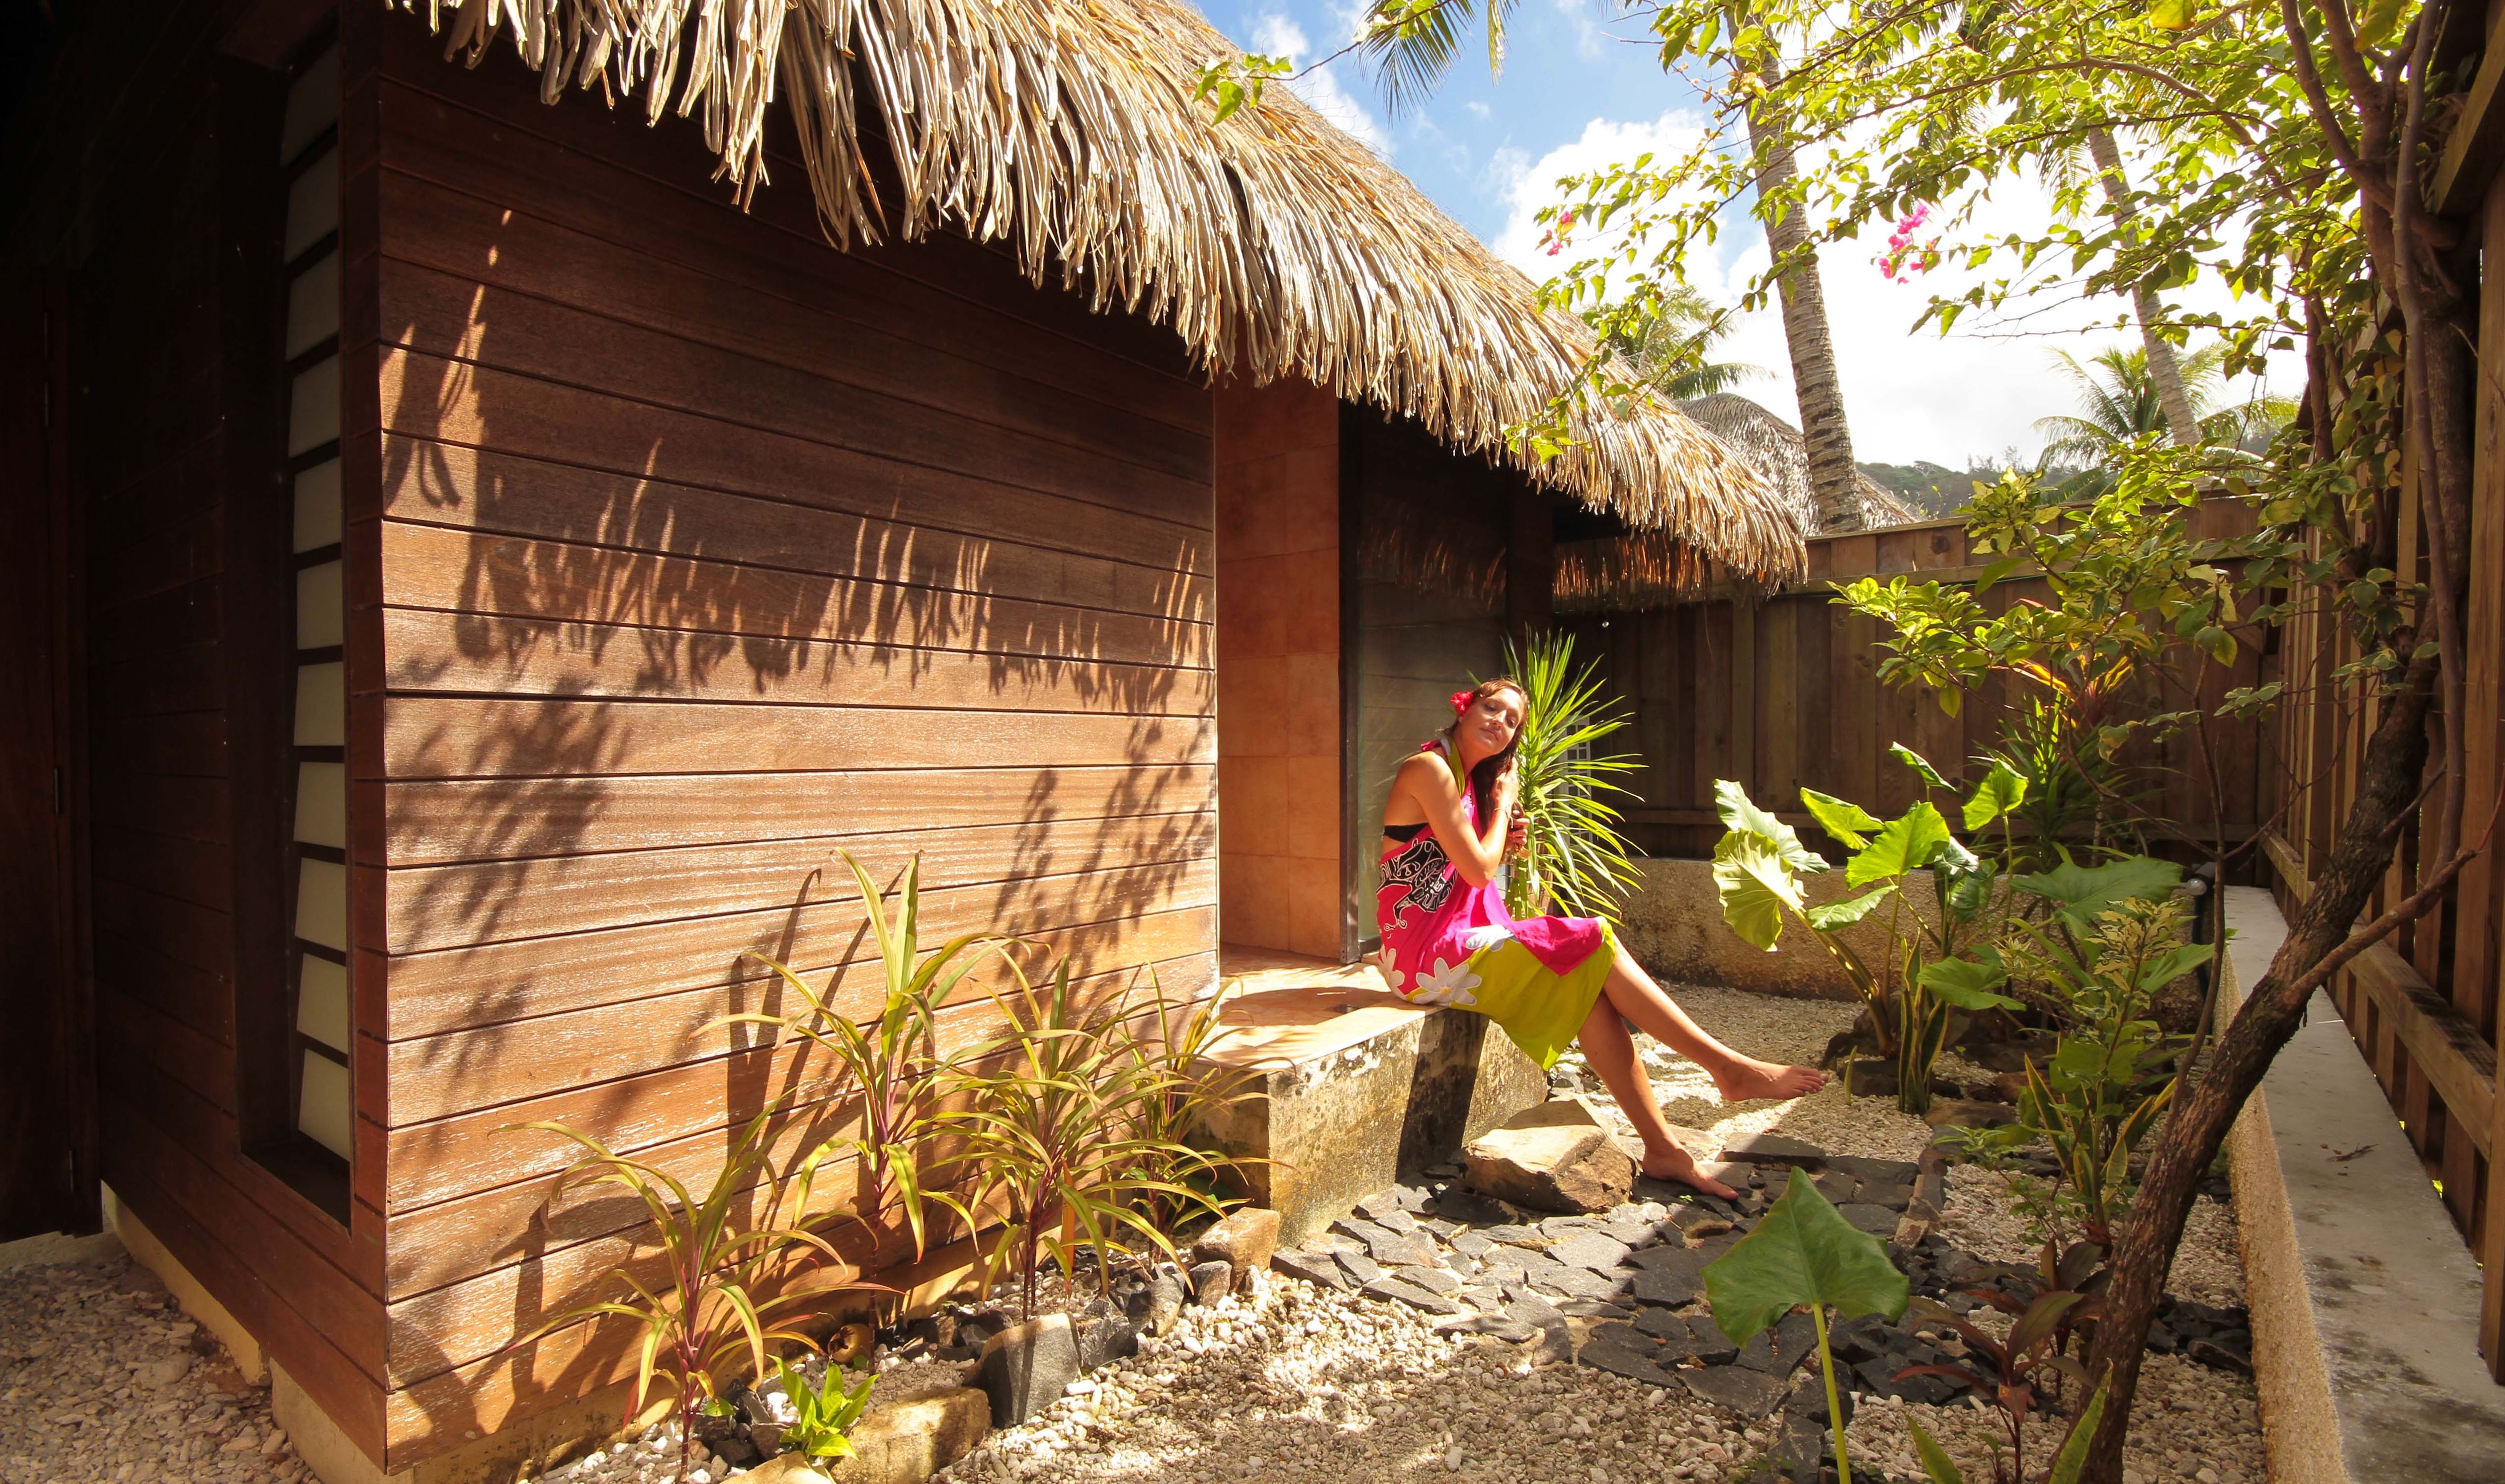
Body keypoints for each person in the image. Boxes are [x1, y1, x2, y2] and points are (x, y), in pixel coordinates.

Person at [1374, 677, 1826, 1198]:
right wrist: (1503, 806)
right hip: (1423, 956)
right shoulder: (1430, 768)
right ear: (1465, 707)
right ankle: (1727, 1067)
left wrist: (1500, 828)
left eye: (1512, 720)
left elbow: (1468, 863)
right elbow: (1477, 872)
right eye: (1491, 707)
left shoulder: (1467, 778)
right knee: (1593, 937)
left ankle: (1663, 1149)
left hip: (1453, 940)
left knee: (1588, 991)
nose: (1500, 721)